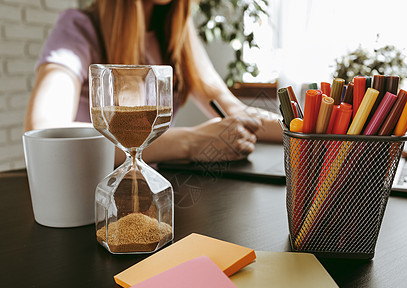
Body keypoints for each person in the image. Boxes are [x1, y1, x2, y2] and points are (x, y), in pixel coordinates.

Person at [24, 0, 282, 165]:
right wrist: (190, 141)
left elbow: (233, 109)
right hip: (84, 190)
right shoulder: (79, 28)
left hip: (152, 184)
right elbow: (44, 132)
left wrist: (307, 130)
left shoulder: (176, 31)